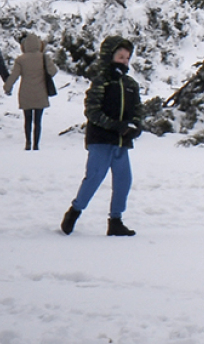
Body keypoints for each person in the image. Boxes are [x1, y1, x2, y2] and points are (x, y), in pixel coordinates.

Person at [61, 36, 143, 237]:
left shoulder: (130, 84)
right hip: (101, 140)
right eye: (120, 56)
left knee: (124, 180)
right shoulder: (101, 81)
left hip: (122, 143)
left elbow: (138, 110)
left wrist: (136, 126)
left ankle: (116, 221)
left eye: (127, 57)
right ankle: (74, 211)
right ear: (109, 57)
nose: (124, 61)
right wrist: (116, 126)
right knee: (95, 177)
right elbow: (92, 111)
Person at [2, 33, 58, 151]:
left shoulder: (20, 59)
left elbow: (14, 76)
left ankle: (28, 142)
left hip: (25, 93)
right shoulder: (44, 57)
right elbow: (53, 71)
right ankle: (36, 144)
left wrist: (7, 87)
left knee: (27, 120)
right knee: (38, 121)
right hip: (41, 92)